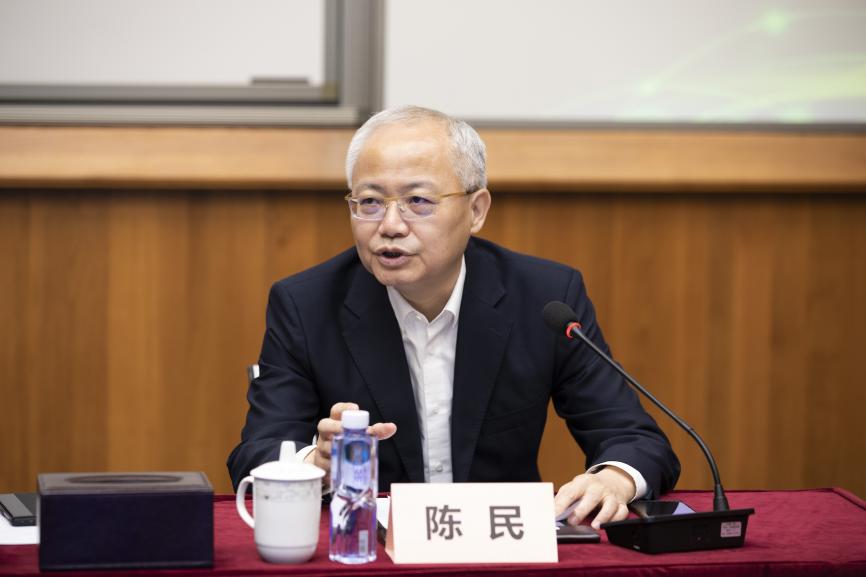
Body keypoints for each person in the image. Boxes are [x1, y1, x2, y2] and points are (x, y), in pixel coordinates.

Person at [227, 106, 679, 529]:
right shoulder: (306, 305)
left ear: (476, 210)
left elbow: (635, 438)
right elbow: (257, 452)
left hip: (499, 550)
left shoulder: (543, 298)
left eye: (418, 200)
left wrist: (614, 479)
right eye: (369, 202)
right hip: (374, 554)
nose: (390, 225)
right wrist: (315, 465)